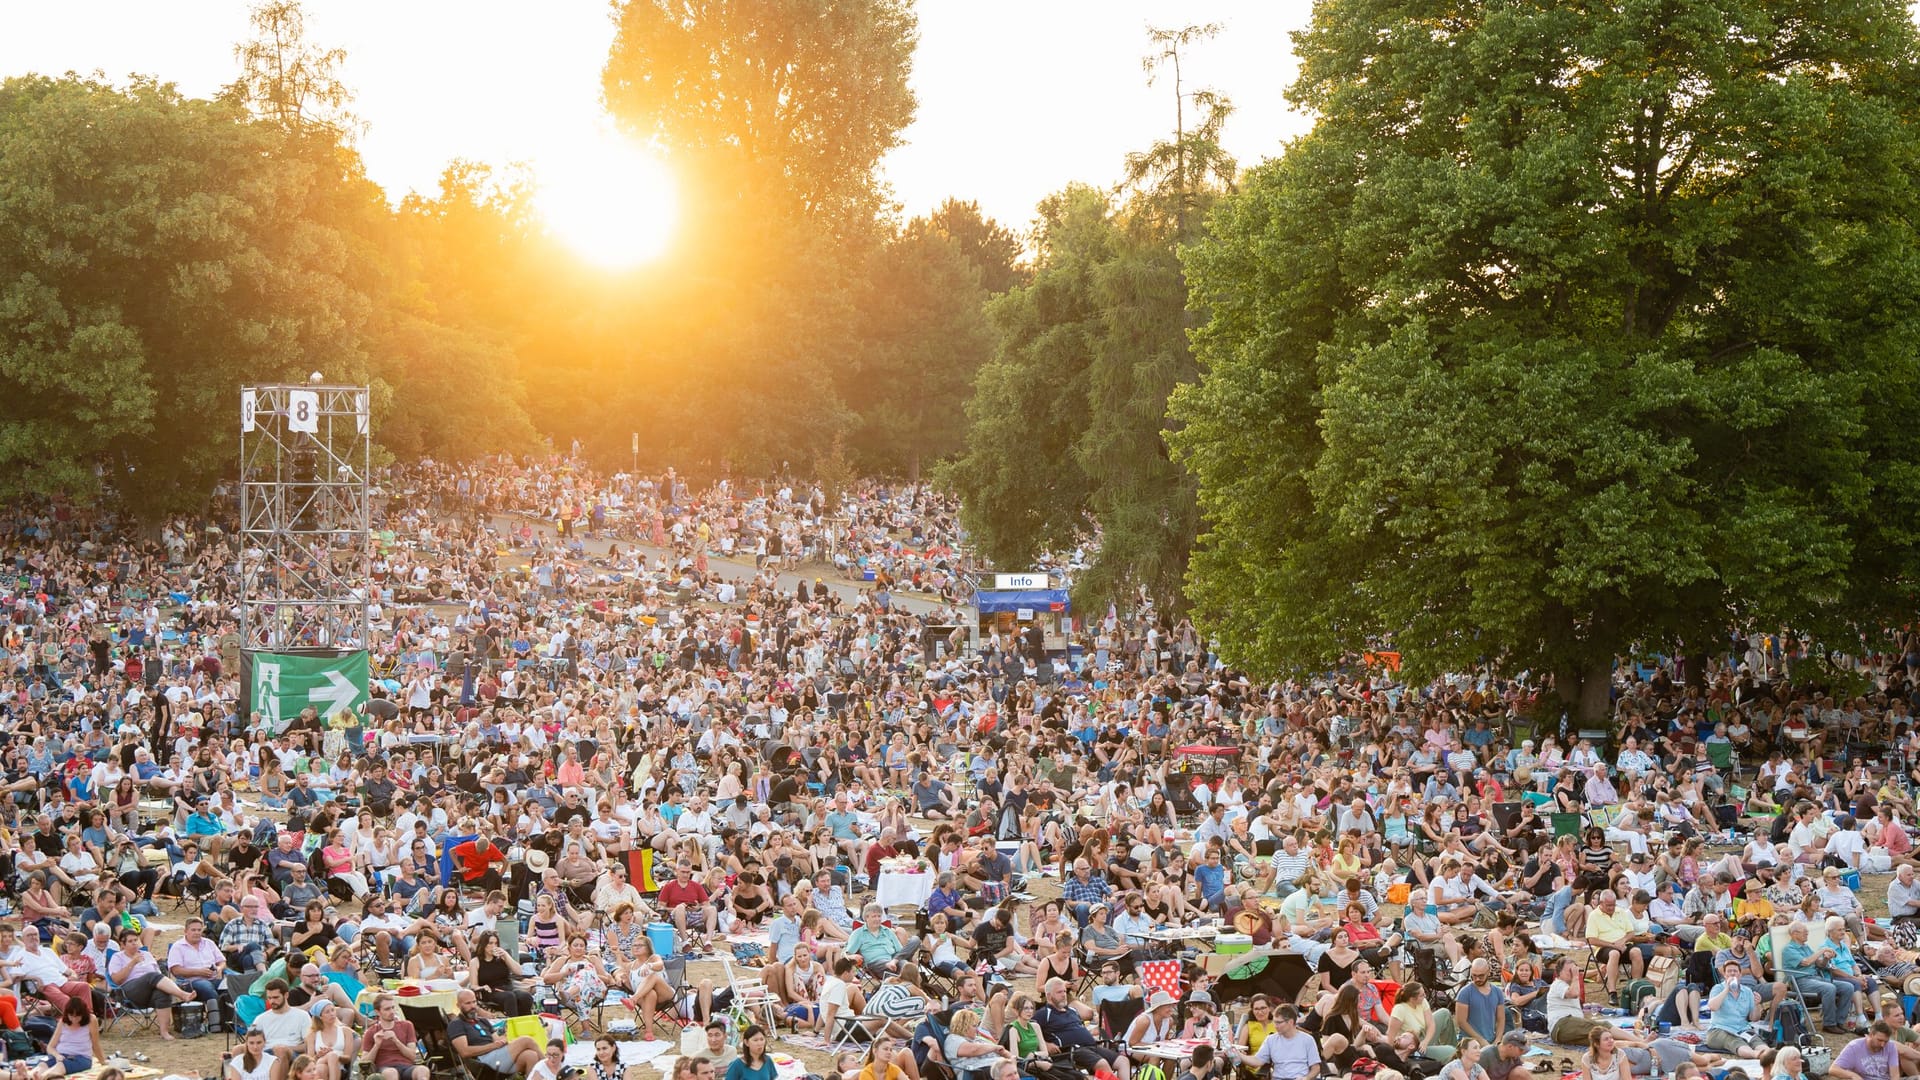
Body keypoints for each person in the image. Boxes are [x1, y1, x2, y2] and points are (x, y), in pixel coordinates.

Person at [449, 989, 544, 1078]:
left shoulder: (482, 1021)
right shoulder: (456, 1024)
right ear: (458, 1005)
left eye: (474, 1002)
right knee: (526, 1040)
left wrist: (506, 1037)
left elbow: (498, 1041)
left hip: (497, 1056)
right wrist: (492, 1046)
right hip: (482, 1062)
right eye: (468, 1003)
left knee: (531, 1055)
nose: (473, 1006)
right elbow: (464, 1052)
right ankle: (550, 1067)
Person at [1236, 1004, 1322, 1080]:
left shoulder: (1307, 1040)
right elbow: (1256, 1061)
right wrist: (1238, 1054)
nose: (1275, 1026)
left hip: (1300, 1077)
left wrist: (1307, 1078)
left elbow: (1316, 1068)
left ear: (1291, 1022)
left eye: (1278, 1022)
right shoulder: (1271, 1040)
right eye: (1274, 1022)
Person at [1703, 959, 1767, 1059]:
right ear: (1725, 975)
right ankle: (1755, 1054)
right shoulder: (1718, 988)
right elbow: (1712, 1007)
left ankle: (1769, 1054)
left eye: (1735, 971)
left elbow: (1754, 1018)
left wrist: (1757, 1005)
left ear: (1740, 975)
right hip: (1719, 1030)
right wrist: (1727, 989)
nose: (1732, 973)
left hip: (1742, 1029)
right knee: (1733, 1040)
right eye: (1729, 971)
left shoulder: (1747, 991)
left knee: (1755, 1039)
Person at [28, 996, 101, 1080]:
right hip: (60, 1055)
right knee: (42, 1065)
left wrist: (102, 1061)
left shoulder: (91, 1020)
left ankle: (43, 1078)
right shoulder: (62, 1022)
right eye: (71, 1015)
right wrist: (57, 1055)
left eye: (77, 1016)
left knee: (60, 1066)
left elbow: (95, 1044)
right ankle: (29, 1077)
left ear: (83, 1014)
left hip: (80, 1057)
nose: (74, 1019)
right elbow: (50, 1047)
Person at [257, 980, 316, 1080]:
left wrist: (287, 1048)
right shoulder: (261, 1019)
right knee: (237, 1049)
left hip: (292, 1053)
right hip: (265, 1053)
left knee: (280, 1050)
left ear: (286, 995)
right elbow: (250, 1042)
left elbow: (308, 1044)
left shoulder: (301, 1015)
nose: (272, 1001)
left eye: (275, 997)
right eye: (269, 998)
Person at [360, 993, 428, 1080]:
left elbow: (412, 1056)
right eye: (387, 1009)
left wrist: (396, 1040)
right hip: (385, 1068)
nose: (392, 1011)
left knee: (423, 1070)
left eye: (393, 1007)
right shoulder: (371, 1032)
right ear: (377, 1012)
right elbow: (364, 1063)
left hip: (406, 1067)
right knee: (391, 1073)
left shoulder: (407, 1025)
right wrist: (376, 1045)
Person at [1828, 1021, 1902, 1080]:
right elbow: (1833, 1069)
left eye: (1886, 1041)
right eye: (1879, 1040)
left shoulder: (1891, 1046)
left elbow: (1895, 1075)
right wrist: (1853, 1075)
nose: (1882, 1045)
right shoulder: (1854, 1047)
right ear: (1871, 1035)